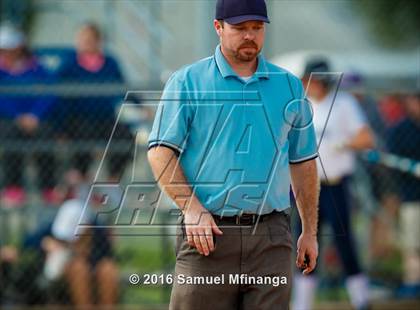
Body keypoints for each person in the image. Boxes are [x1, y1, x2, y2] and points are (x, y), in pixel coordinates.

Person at [147, 1, 320, 309]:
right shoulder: (187, 82)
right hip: (207, 236)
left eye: (257, 28)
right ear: (218, 27)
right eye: (240, 28)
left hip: (272, 237)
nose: (250, 36)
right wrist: (191, 208)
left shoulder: (290, 87)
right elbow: (160, 152)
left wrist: (309, 231)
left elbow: (304, 162)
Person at [292, 59, 375, 310]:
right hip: (306, 188)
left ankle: (361, 300)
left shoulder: (343, 103)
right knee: (304, 243)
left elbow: (366, 138)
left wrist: (344, 143)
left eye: (312, 79)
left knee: (344, 243)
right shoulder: (301, 105)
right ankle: (302, 305)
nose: (308, 84)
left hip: (335, 184)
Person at [59, 22, 132, 183]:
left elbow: (123, 88)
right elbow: (57, 95)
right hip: (78, 119)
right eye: (82, 39)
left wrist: (142, 106)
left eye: (89, 39)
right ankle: (81, 179)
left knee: (125, 136)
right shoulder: (69, 63)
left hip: (106, 119)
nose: (85, 42)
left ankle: (112, 181)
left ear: (98, 40)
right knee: (84, 136)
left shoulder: (110, 63)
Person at [0, 24, 58, 207]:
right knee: (10, 136)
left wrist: (34, 115)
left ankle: (48, 187)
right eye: (5, 48)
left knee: (45, 136)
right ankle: (13, 187)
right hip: (8, 119)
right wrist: (17, 116)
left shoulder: (36, 67)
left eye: (12, 47)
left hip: (36, 119)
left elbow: (50, 93)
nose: (9, 52)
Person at [388, 93, 420, 298]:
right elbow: (393, 161)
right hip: (412, 195)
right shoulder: (401, 130)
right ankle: (412, 282)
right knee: (412, 244)